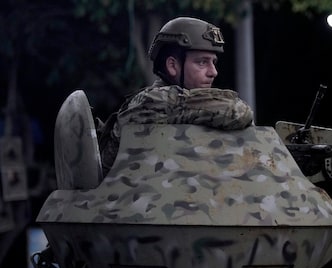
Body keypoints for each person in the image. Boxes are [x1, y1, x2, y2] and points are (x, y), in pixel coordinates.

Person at [99, 17, 254, 175]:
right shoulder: (153, 101)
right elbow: (237, 112)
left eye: (213, 62)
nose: (213, 72)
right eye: (202, 62)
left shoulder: (186, 110)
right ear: (172, 66)